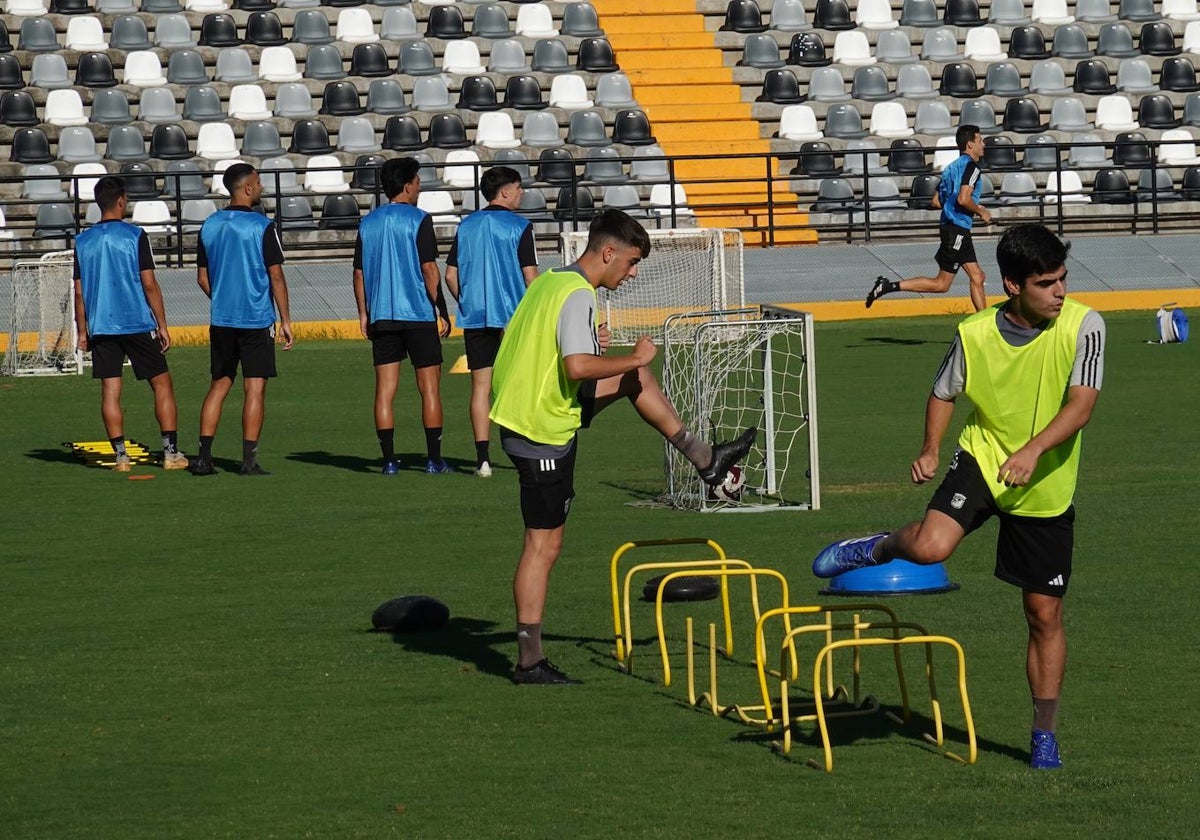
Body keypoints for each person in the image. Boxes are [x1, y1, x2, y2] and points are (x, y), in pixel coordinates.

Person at [814, 224, 1105, 770]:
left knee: (1043, 615)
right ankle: (874, 547)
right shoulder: (973, 332)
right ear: (1013, 285)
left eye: (1064, 279)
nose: (1061, 292)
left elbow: (1081, 405)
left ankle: (1044, 732)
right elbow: (943, 391)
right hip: (984, 457)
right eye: (1048, 283)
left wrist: (1035, 451)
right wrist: (930, 447)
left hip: (1046, 483)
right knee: (929, 549)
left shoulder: (1086, 325)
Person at [490, 209, 757, 685]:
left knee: (637, 377)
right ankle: (529, 661)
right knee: (542, 546)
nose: (632, 274)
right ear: (608, 251)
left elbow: (538, 342)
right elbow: (575, 367)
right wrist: (627, 354)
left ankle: (707, 462)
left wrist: (611, 354)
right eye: (631, 263)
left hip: (534, 410)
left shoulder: (553, 280)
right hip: (540, 426)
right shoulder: (576, 294)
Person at [72, 176, 187, 473]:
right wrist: (162, 324)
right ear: (122, 201)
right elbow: (149, 284)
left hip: (102, 326)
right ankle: (171, 453)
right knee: (162, 385)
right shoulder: (135, 236)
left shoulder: (83, 241)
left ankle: (121, 457)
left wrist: (83, 331)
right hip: (136, 321)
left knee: (111, 391)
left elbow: (79, 291)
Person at [190, 163, 293, 477]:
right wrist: (286, 319)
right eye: (259, 183)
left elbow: (202, 278)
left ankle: (204, 458)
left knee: (218, 386)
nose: (261, 188)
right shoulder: (262, 227)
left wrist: (222, 298)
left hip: (222, 319)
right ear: (247, 188)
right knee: (255, 389)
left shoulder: (209, 224)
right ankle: (248, 462)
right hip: (255, 320)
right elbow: (276, 275)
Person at [352, 157, 453, 475]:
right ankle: (434, 459)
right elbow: (428, 269)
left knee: (384, 390)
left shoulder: (367, 223)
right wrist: (442, 309)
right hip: (418, 314)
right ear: (408, 184)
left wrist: (363, 313)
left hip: (382, 315)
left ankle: (389, 461)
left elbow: (358, 274)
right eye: (419, 181)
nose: (420, 187)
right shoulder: (419, 219)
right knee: (430, 389)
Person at [444, 166, 539, 478]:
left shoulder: (467, 225)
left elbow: (451, 275)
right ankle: (524, 451)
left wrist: (466, 301)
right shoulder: (520, 226)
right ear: (506, 191)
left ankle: (482, 460)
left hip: (476, 315)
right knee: (520, 383)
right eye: (518, 187)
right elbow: (530, 277)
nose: (522, 192)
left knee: (480, 387)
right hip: (513, 317)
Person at [866, 124, 992, 312]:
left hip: (952, 227)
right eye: (980, 140)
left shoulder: (950, 169)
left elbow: (936, 201)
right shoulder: (971, 168)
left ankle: (985, 320)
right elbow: (963, 198)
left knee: (977, 276)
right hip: (957, 228)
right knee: (941, 284)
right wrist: (981, 211)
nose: (984, 144)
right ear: (970, 144)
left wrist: (964, 206)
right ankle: (889, 286)